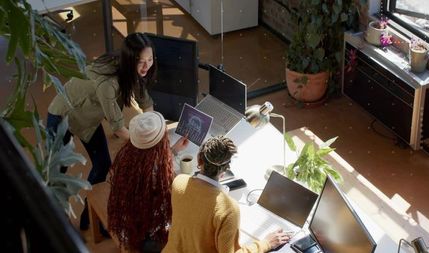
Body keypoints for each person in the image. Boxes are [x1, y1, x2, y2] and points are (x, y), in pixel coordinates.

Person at [46, 32, 157, 229]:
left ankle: (90, 217)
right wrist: (147, 142)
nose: (146, 66)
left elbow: (146, 104)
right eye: (141, 61)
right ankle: (56, 224)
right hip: (62, 115)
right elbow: (118, 128)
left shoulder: (131, 70)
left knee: (103, 164)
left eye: (150, 59)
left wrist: (153, 126)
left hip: (87, 118)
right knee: (56, 175)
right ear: (129, 59)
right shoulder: (108, 84)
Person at [162, 136, 291, 253]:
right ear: (226, 169)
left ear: (199, 160)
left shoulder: (179, 182)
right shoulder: (228, 210)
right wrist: (265, 244)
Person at [108, 111, 188, 252]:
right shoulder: (157, 174)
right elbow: (171, 203)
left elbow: (151, 162)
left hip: (128, 226)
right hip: (146, 237)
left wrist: (174, 150)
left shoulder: (126, 155)